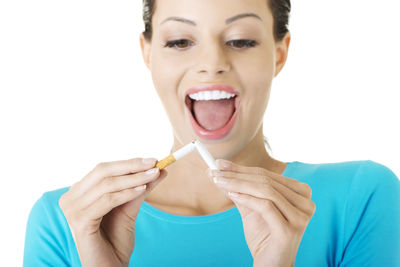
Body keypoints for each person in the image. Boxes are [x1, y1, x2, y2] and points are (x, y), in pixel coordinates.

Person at [23, 0, 400, 266]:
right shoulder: (69, 221)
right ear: (148, 53)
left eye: (240, 40)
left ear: (279, 53)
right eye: (180, 41)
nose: (211, 64)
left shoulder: (361, 196)